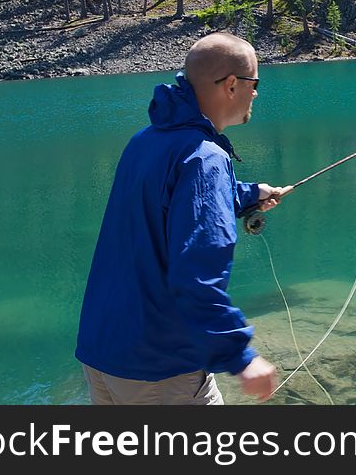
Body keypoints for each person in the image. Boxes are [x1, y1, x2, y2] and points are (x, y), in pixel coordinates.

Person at [75, 32, 292, 405]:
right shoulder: (206, 158)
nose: (256, 93)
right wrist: (241, 357)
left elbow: (169, 204)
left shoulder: (145, 141)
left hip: (102, 353)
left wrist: (249, 194)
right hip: (160, 369)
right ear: (231, 85)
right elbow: (196, 273)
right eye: (255, 83)